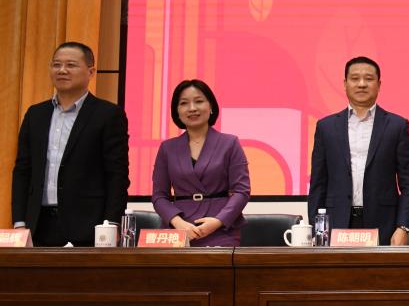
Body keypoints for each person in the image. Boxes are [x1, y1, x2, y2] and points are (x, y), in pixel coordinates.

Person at [11, 42, 129, 247]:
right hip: (37, 224)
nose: (62, 70)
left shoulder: (108, 114)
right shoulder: (35, 114)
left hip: (89, 225)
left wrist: (111, 223)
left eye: (71, 65)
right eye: (56, 65)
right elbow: (23, 170)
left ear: (91, 72)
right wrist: (19, 222)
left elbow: (117, 174)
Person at [308, 57, 409, 246]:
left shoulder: (397, 126)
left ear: (379, 85)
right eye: (354, 78)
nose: (361, 84)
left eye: (368, 78)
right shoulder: (326, 127)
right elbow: (318, 184)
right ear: (345, 84)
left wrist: (403, 227)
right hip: (337, 225)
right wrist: (317, 231)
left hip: (384, 225)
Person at [152, 79, 250, 247]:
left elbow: (241, 191)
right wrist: (178, 223)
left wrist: (218, 221)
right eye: (184, 103)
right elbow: (159, 196)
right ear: (177, 111)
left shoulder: (230, 143)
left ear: (211, 106)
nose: (192, 108)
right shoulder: (167, 148)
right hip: (179, 229)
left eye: (199, 101)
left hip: (221, 228)